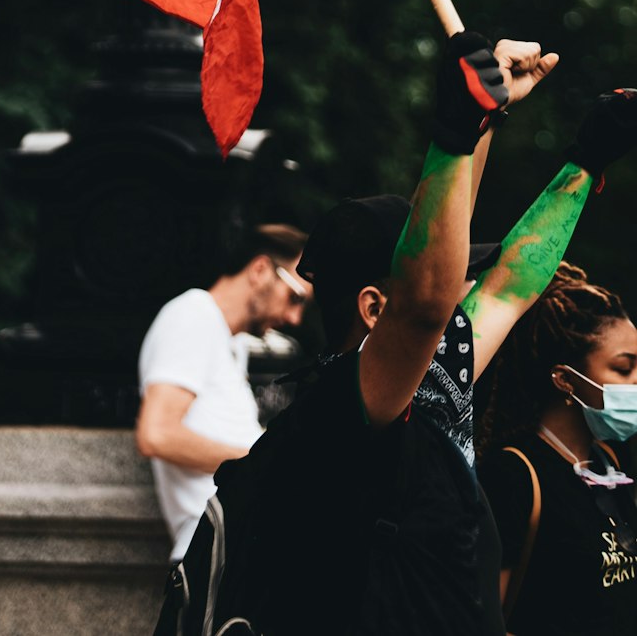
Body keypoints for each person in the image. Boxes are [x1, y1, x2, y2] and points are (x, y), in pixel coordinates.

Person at [155, 35, 637, 636]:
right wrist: (456, 132)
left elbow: (514, 282)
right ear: (375, 307)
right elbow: (426, 306)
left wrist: (584, 158)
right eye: (445, 277)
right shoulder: (348, 410)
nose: (465, 294)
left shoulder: (435, 384)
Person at [478, 260, 637, 634]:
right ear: (565, 380)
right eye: (624, 368)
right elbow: (484, 617)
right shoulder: (514, 475)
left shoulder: (611, 458)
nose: (636, 381)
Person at [135, 222, 310, 561]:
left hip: (238, 547)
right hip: (221, 551)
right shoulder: (194, 314)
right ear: (260, 270)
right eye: (295, 296)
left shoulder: (227, 339)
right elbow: (156, 434)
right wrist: (268, 462)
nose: (294, 317)